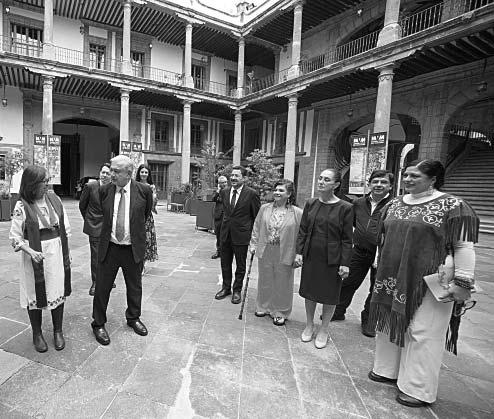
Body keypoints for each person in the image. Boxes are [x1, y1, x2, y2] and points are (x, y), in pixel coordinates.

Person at [367, 159, 479, 408]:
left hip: (431, 279)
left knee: (423, 331)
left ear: (433, 179)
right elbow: (383, 237)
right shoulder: (394, 203)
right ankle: (386, 369)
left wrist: (462, 282)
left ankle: (417, 388)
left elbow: (464, 246)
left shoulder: (453, 205)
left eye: (415, 176)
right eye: (406, 175)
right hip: (391, 274)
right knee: (388, 322)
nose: (407, 179)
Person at [91, 155, 153, 346]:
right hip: (109, 247)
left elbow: (145, 214)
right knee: (102, 287)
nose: (112, 174)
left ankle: (133, 317)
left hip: (132, 248)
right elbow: (98, 213)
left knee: (134, 286)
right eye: (111, 170)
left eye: (116, 171)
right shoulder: (104, 190)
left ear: (129, 173)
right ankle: (98, 323)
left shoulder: (144, 190)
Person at [9, 165, 71, 352]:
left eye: (47, 180)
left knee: (57, 289)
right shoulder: (22, 206)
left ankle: (58, 331)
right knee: (34, 293)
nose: (47, 184)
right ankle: (37, 334)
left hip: (55, 253)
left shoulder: (55, 199)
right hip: (34, 256)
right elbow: (15, 237)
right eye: (43, 181)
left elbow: (65, 228)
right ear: (31, 184)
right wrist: (30, 251)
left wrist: (66, 253)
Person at [295, 169, 353, 349]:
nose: (321, 182)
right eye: (320, 178)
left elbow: (347, 239)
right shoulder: (311, 203)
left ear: (336, 185)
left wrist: (345, 263)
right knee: (310, 292)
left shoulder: (345, 207)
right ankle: (309, 324)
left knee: (329, 295)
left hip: (332, 258)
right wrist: (299, 252)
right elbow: (303, 230)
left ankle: (324, 329)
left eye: (326, 180)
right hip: (311, 255)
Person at [333, 170, 394, 337]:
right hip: (360, 250)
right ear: (369, 184)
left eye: (383, 182)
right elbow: (351, 223)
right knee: (347, 281)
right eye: (375, 181)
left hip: (383, 254)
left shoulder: (394, 205)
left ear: (390, 186)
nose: (379, 185)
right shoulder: (359, 203)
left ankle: (369, 320)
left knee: (377, 288)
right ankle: (338, 311)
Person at [249, 179, 303, 326]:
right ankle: (263, 306)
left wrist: (300, 253)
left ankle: (280, 311)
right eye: (276, 190)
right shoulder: (264, 208)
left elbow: (302, 234)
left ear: (289, 194)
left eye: (281, 190)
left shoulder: (297, 212)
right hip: (266, 248)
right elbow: (257, 226)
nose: (277, 193)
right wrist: (253, 244)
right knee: (265, 279)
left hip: (286, 250)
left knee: (283, 282)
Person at [215, 166, 260, 304]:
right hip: (225, 234)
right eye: (232, 175)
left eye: (237, 176)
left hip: (241, 235)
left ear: (244, 178)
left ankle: (237, 290)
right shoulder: (224, 192)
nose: (233, 178)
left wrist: (254, 238)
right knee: (225, 263)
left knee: (240, 265)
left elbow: (256, 217)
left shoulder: (251, 194)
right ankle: (226, 288)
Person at [79, 163, 112, 295]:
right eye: (103, 172)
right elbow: (82, 206)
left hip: (110, 227)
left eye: (107, 173)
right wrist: (89, 220)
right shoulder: (90, 186)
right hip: (95, 226)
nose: (104, 175)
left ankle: (108, 279)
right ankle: (95, 282)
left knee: (109, 255)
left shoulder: (113, 188)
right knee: (96, 256)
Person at [135, 163, 158, 269]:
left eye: (146, 172)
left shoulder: (151, 187)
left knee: (146, 240)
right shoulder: (134, 185)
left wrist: (154, 198)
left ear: (148, 174)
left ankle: (142, 263)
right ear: (139, 173)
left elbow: (153, 203)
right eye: (142, 172)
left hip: (147, 217)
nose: (144, 174)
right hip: (135, 216)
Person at [211, 175, 228, 259]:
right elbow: (213, 199)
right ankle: (218, 251)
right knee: (218, 235)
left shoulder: (230, 191)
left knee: (226, 235)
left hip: (227, 216)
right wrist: (218, 191)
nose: (224, 184)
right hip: (218, 216)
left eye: (225, 182)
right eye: (222, 183)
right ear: (219, 184)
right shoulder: (217, 191)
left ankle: (225, 252)